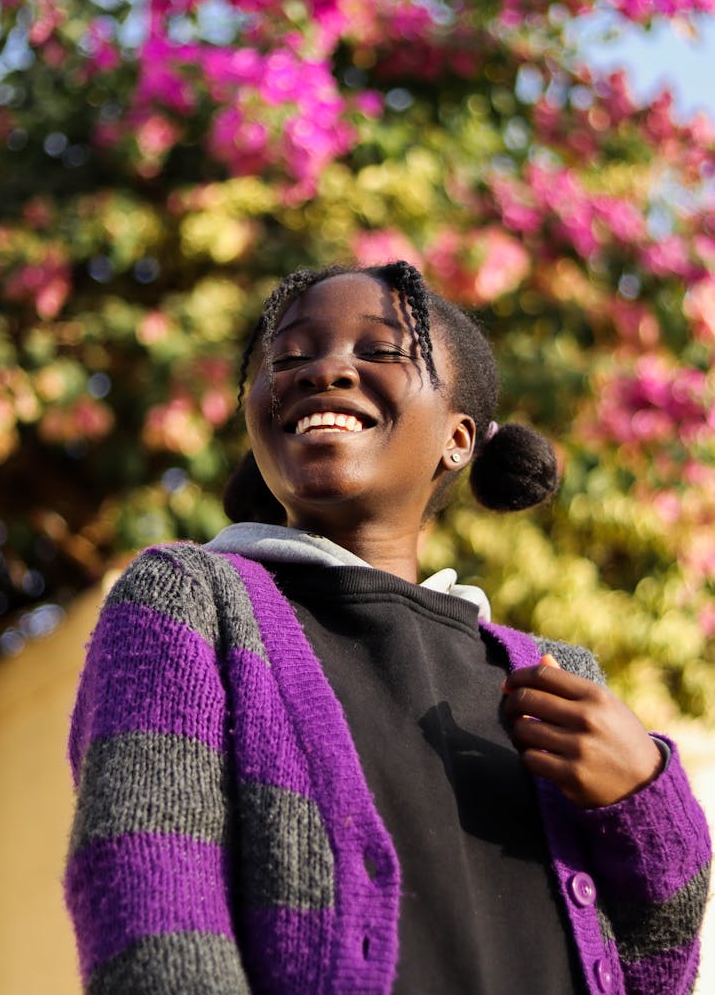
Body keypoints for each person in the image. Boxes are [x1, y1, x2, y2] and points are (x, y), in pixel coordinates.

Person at [65, 261, 711, 994]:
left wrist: (647, 803)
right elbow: (147, 906)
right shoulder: (191, 605)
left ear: (459, 439)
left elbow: (656, 969)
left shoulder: (558, 676)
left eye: (377, 351)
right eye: (289, 357)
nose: (324, 370)